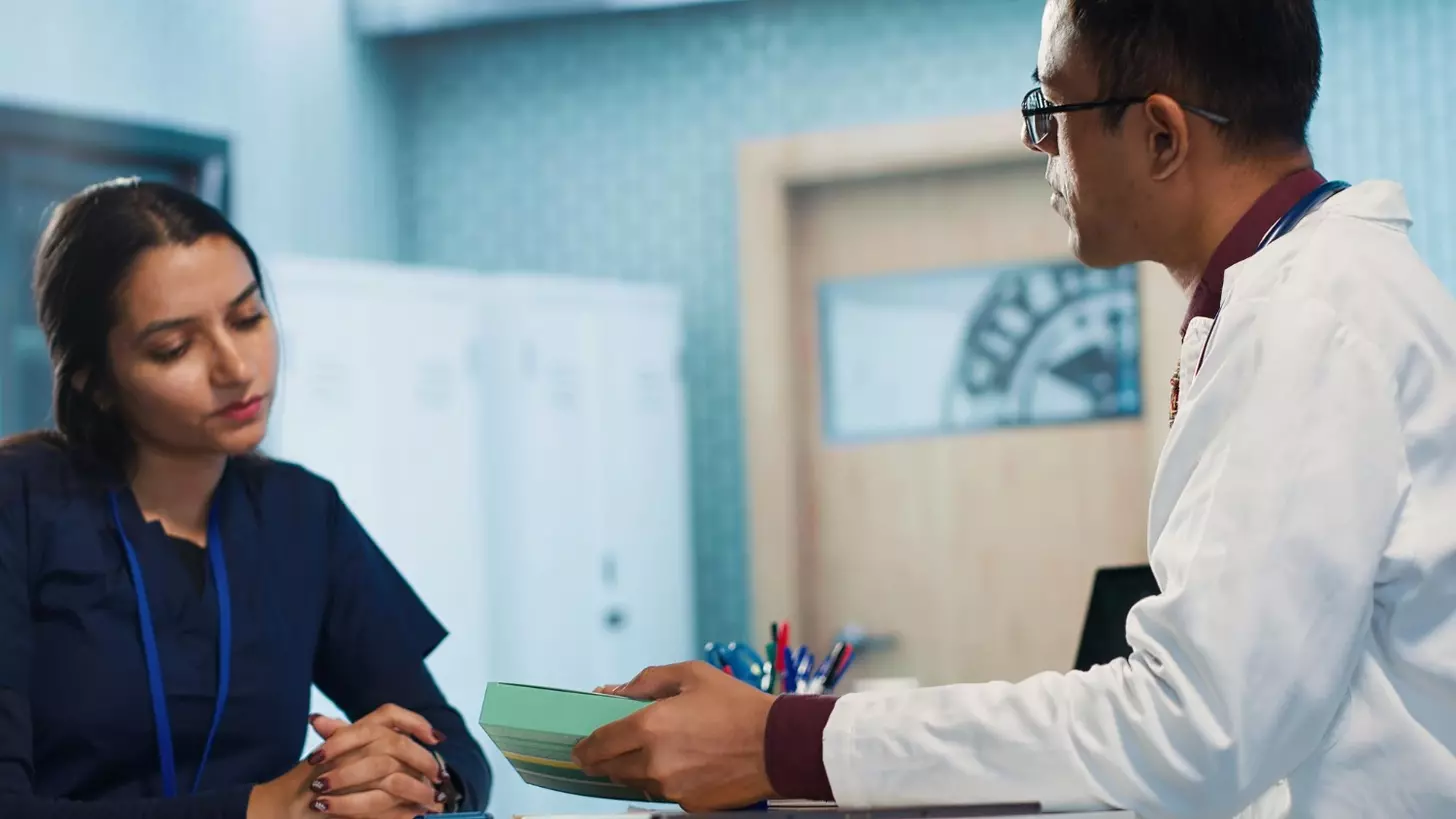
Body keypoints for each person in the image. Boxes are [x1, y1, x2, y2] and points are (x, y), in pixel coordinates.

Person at [571, 1, 1456, 817]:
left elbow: (1194, 729)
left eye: (1051, 109)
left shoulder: (1309, 321)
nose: (1038, 144)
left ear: (1160, 136)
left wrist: (783, 741)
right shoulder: (1300, 298)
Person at [0, 179, 492, 819]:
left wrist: (415, 781)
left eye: (247, 318)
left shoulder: (300, 513)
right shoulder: (20, 501)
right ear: (94, 381)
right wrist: (263, 809)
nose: (236, 368)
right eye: (174, 348)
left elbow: (446, 740)